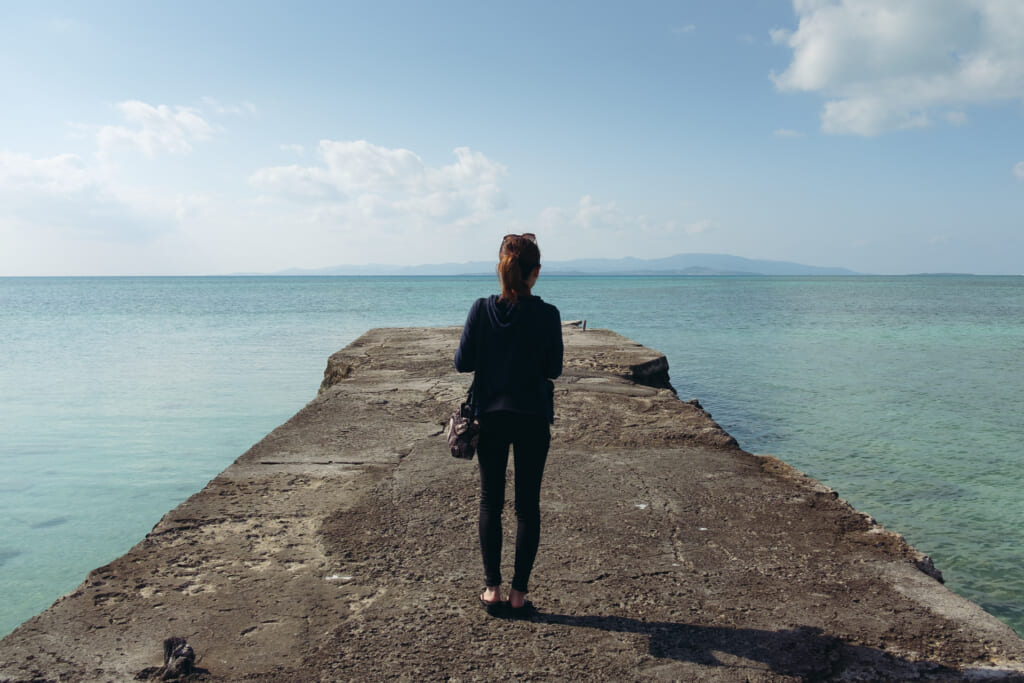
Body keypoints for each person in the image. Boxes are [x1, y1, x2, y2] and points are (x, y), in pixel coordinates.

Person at [454, 233, 563, 617]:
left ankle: (492, 591)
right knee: (527, 507)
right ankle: (519, 595)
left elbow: (462, 362)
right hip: (533, 418)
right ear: (535, 273)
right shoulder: (548, 315)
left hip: (491, 417)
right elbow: (554, 369)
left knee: (490, 502)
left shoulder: (481, 310)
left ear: (500, 267)